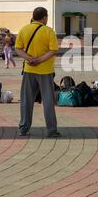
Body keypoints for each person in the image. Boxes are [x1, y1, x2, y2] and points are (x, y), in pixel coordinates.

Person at [15, 7, 60, 138]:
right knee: (48, 101)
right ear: (44, 17)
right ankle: (51, 130)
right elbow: (53, 51)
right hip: (45, 71)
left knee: (26, 100)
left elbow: (18, 49)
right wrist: (39, 60)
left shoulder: (24, 29)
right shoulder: (48, 31)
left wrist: (28, 58)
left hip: (29, 70)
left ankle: (23, 128)